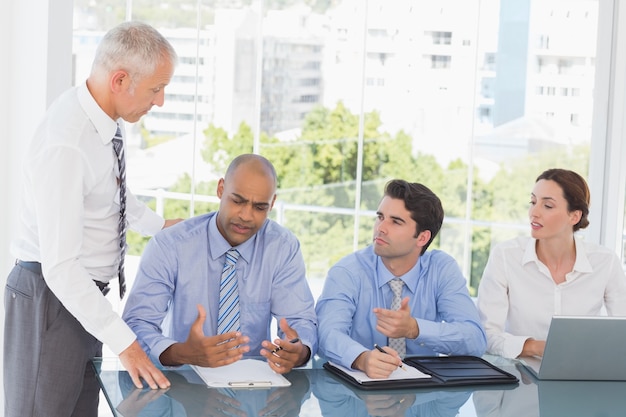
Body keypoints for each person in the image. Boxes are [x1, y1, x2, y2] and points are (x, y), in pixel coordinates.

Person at [4, 21, 184, 417]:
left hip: (83, 303)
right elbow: (62, 267)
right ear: (120, 79)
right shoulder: (67, 143)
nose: (161, 101)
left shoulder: (103, 120)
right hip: (52, 301)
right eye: (156, 88)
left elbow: (110, 194)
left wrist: (160, 228)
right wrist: (127, 343)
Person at [122, 153, 318, 374]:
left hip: (253, 389)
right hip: (183, 385)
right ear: (221, 189)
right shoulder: (170, 245)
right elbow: (137, 323)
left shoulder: (282, 247)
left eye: (259, 207)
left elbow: (299, 321)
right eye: (238, 201)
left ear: (272, 203)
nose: (246, 215)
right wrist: (181, 352)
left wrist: (297, 351)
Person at [316, 179, 486, 379]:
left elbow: (475, 340)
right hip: (358, 393)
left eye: (395, 222)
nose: (381, 228)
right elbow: (326, 334)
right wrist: (361, 359)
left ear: (422, 238)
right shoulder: (347, 271)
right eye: (380, 217)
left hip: (423, 396)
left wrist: (414, 328)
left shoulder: (442, 269)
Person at [476, 168, 626, 359]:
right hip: (520, 377)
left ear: (574, 216)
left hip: (581, 373)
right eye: (533, 202)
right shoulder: (506, 256)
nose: (534, 213)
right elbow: (485, 335)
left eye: (547, 206)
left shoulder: (605, 262)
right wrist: (538, 347)